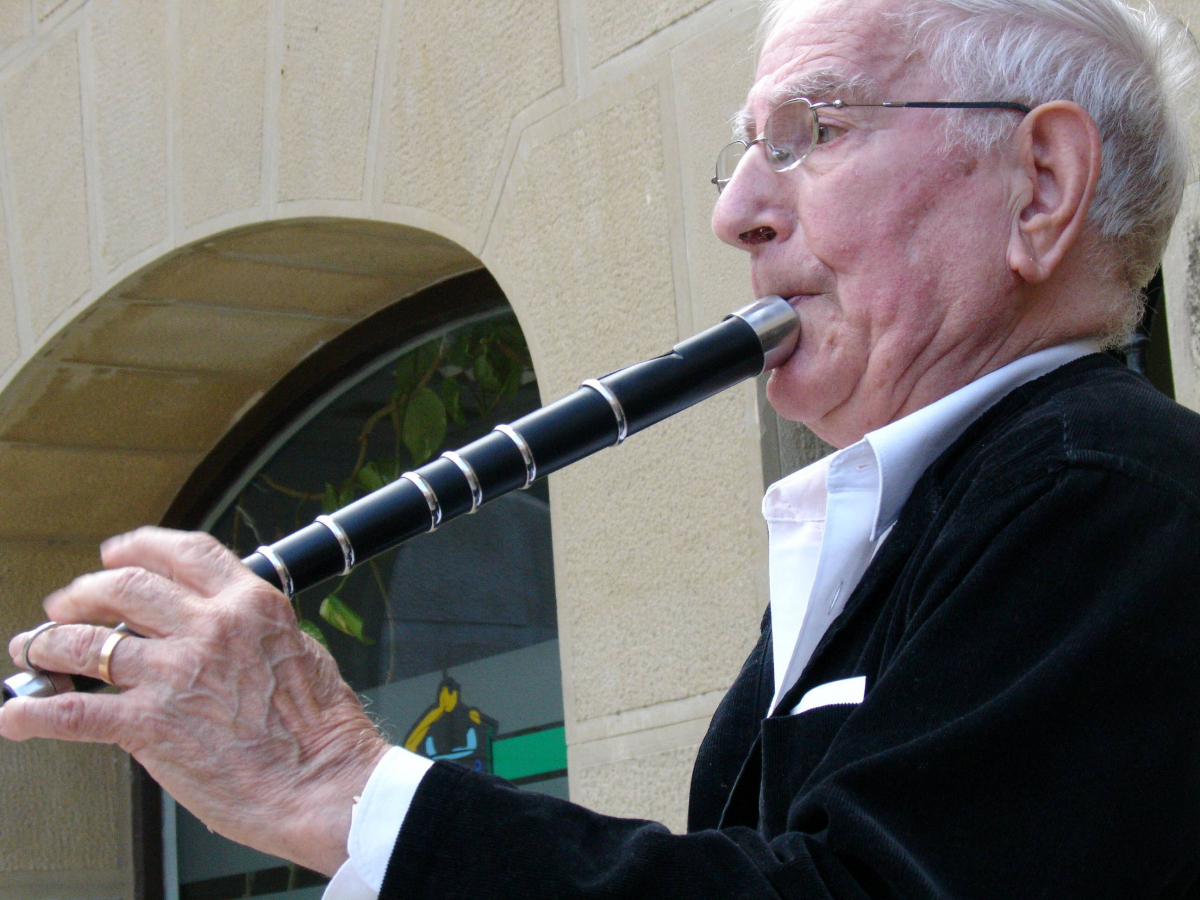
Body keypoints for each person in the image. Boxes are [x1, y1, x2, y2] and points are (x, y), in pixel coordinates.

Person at [5, 0, 1200, 895]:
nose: (737, 211)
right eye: (743, 149)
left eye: (811, 131)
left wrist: (338, 785)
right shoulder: (942, 511)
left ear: (1042, 184)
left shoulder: (1109, 497)